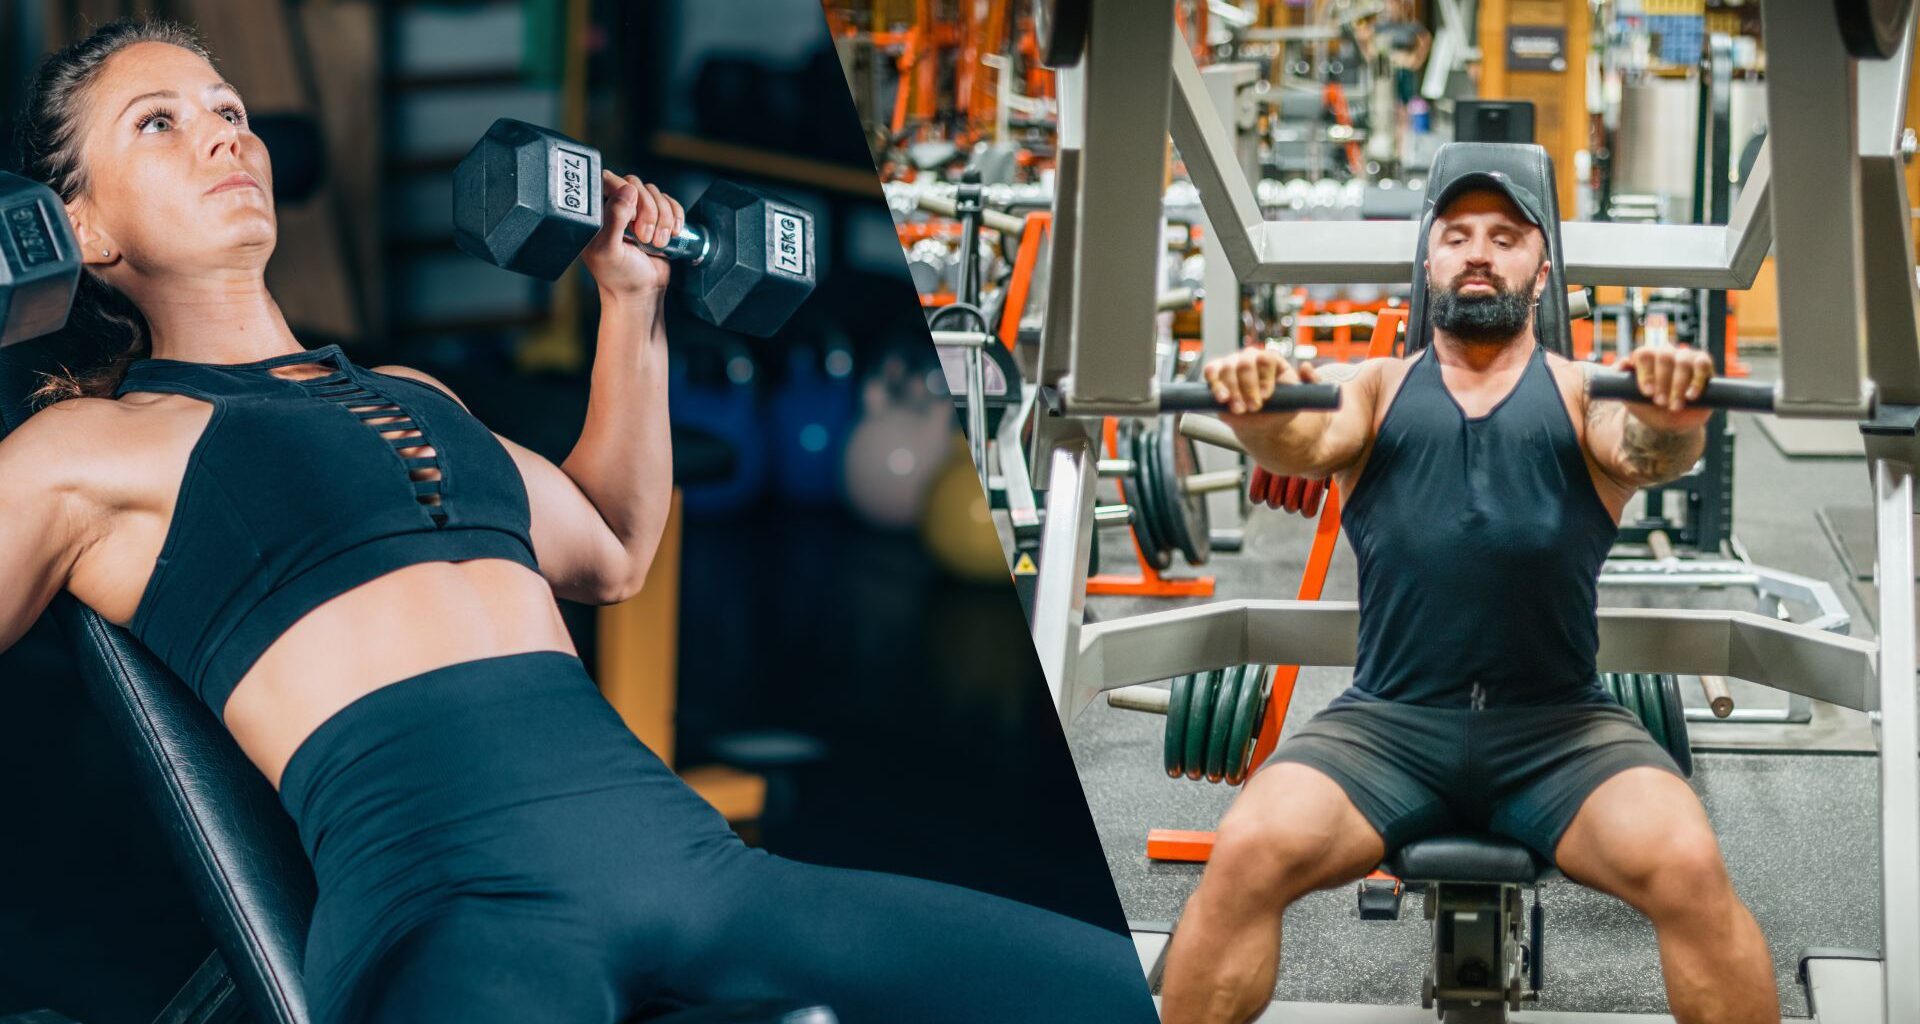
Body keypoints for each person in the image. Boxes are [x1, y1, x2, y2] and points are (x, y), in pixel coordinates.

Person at [0, 20, 1155, 1024]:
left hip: (698, 868)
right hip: (459, 911)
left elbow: (610, 545)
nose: (223, 135)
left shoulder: (417, 396)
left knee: (1132, 990)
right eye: (157, 122)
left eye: (229, 108)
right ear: (79, 230)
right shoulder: (88, 446)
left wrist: (629, 299)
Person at [1159, 171, 1775, 1024]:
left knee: (1688, 863)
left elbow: (1645, 455)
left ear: (1541, 270)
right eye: (1456, 235)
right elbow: (1303, 441)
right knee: (1247, 851)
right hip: (1388, 727)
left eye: (1504, 235)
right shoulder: (1374, 388)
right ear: (1428, 263)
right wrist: (1256, 410)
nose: (1478, 251)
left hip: (1560, 731)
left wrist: (1673, 415)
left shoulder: (1582, 391)